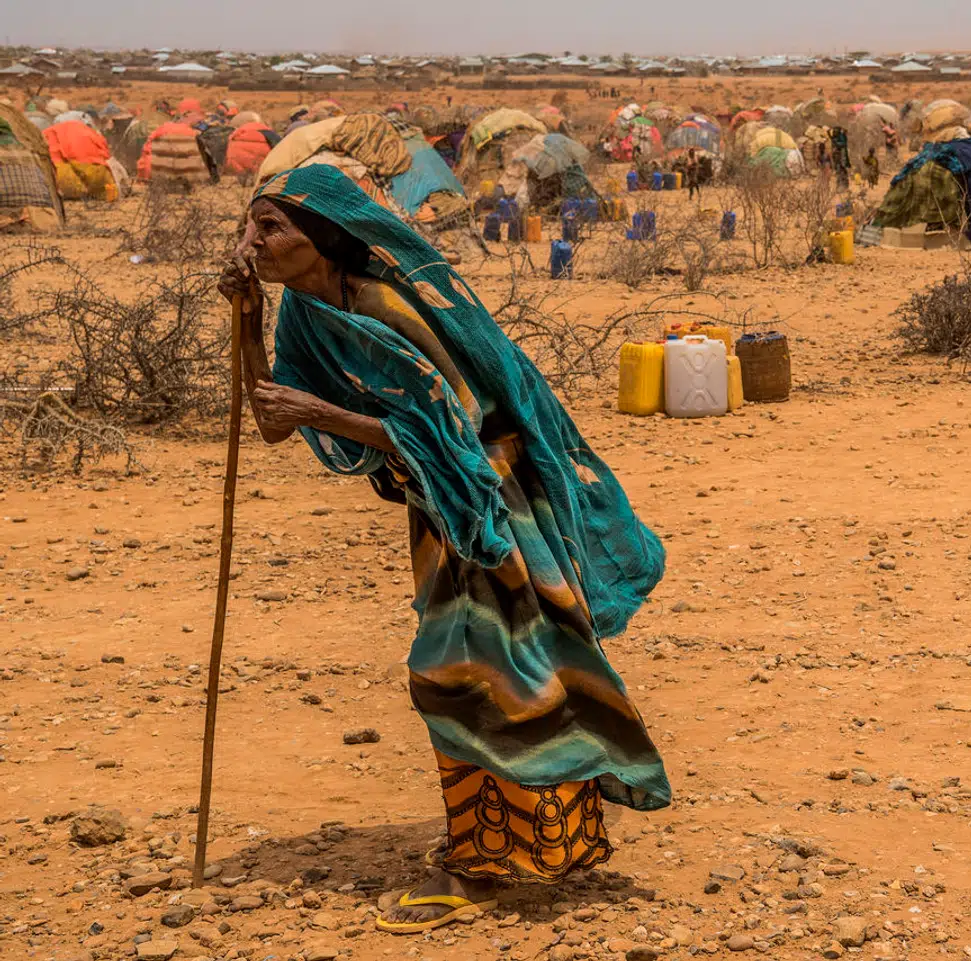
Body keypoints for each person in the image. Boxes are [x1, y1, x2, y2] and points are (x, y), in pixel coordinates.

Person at [218, 164, 670, 936]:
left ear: (321, 237)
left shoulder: (387, 304)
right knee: (508, 665)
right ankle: (526, 842)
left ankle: (486, 864)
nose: (250, 240)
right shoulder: (303, 313)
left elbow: (452, 429)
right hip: (439, 504)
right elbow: (271, 420)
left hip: (491, 493)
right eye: (249, 226)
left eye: (270, 226)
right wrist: (250, 324)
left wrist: (317, 407)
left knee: (472, 667)